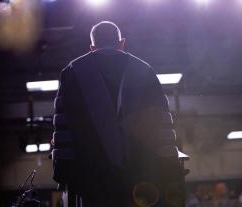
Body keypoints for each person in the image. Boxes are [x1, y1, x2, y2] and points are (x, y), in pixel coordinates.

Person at [51, 21, 186, 207]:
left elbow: (62, 128)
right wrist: (169, 167)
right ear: (121, 43)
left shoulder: (72, 72)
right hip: (141, 177)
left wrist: (63, 173)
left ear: (92, 47)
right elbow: (161, 124)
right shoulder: (145, 71)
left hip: (92, 179)